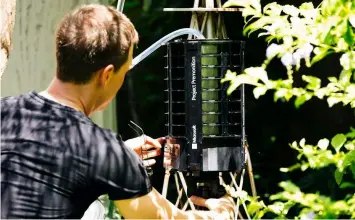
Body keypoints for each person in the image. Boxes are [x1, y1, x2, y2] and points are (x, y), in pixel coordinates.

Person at [1, 4, 235, 219]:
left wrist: (118, 154)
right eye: (124, 73)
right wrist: (219, 216)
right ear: (106, 75)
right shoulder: (103, 150)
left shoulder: (6, 111)